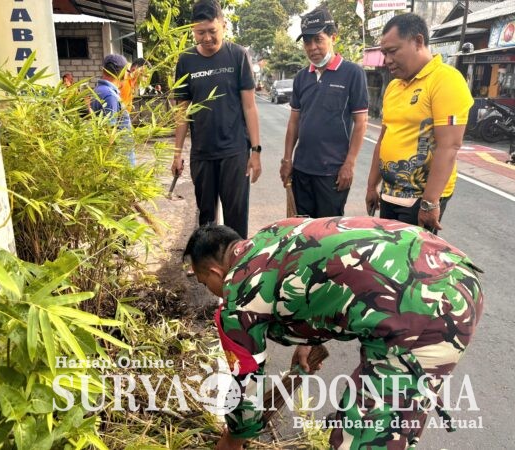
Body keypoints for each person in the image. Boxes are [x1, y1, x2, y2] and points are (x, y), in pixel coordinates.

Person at [184, 217, 483, 450]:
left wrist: (233, 439)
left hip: (426, 307)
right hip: (449, 271)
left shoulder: (238, 297)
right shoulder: (274, 233)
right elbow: (326, 272)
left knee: (366, 437)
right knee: (387, 421)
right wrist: (306, 341)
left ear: (215, 273)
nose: (211, 290)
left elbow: (245, 385)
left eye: (203, 283)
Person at [365, 13, 474, 232]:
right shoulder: (394, 86)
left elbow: (449, 146)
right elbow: (384, 138)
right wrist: (371, 186)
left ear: (418, 41)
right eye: (384, 53)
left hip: (419, 198)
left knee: (411, 253)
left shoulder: (446, 80)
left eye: (393, 51)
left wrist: (430, 202)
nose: (387, 60)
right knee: (387, 250)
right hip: (390, 192)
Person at [172, 0, 261, 239]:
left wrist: (255, 151)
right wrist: (177, 153)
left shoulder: (238, 56)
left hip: (234, 152)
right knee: (206, 220)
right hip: (202, 152)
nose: (207, 38)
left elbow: (250, 106)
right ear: (192, 30)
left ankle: (237, 258)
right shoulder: (186, 60)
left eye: (212, 31)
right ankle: (210, 260)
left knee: (236, 218)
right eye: (200, 32)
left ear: (223, 25)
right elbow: (182, 112)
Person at [280, 6, 368, 218]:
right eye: (307, 41)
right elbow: (294, 122)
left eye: (318, 39)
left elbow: (361, 122)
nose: (312, 47)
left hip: (333, 173)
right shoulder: (302, 77)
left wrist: (349, 164)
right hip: (301, 170)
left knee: (328, 232)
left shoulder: (353, 73)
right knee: (301, 229)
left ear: (333, 37)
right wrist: (287, 160)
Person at [90, 54, 135, 165]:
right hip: (120, 161)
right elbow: (110, 136)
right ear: (123, 72)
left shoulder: (99, 90)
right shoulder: (110, 96)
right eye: (127, 71)